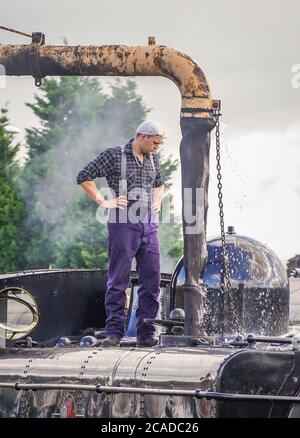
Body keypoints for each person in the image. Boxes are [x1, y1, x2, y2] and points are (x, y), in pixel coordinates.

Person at [76, 120, 165, 347]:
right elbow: (84, 176)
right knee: (119, 279)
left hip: (148, 223)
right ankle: (114, 332)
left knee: (152, 279)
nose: (157, 147)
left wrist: (157, 201)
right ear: (143, 136)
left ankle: (146, 333)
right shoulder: (115, 155)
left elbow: (160, 183)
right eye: (155, 142)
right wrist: (103, 201)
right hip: (122, 221)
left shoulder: (153, 158)